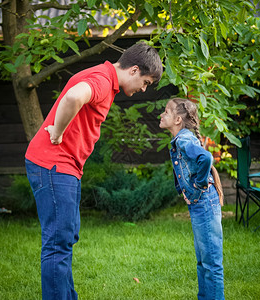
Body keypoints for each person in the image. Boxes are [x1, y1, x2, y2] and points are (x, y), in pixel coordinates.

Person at [25, 42, 163, 300]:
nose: (143, 89)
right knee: (58, 245)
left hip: (64, 167)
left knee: (65, 240)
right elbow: (74, 97)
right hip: (54, 164)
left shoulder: (104, 77)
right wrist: (58, 130)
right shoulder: (101, 79)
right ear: (134, 70)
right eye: (145, 82)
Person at [159, 98, 224, 300]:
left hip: (205, 203)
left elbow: (205, 158)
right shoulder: (181, 139)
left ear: (178, 119)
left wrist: (199, 184)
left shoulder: (184, 139)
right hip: (200, 205)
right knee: (203, 261)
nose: (161, 114)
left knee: (211, 263)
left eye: (166, 112)